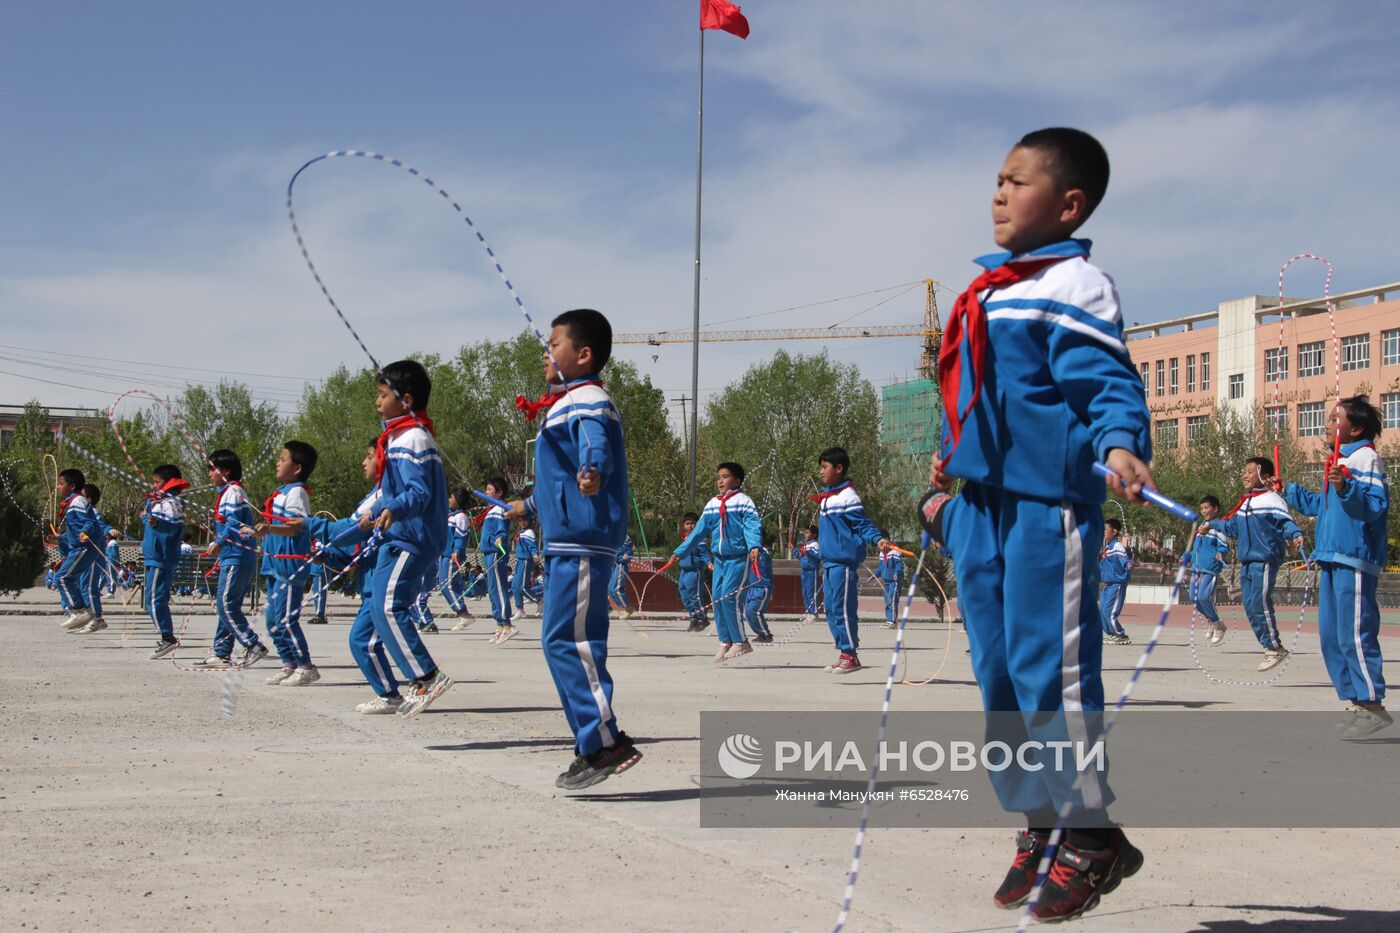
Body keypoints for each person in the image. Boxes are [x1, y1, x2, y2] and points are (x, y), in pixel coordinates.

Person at [919, 128, 1150, 919]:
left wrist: (1120, 443)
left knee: (1049, 673)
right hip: (982, 504)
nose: (998, 192)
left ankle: (1093, 835)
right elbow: (980, 393)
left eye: (1017, 181)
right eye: (997, 179)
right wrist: (951, 459)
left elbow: (1106, 379)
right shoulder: (988, 289)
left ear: (1069, 203)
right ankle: (1039, 824)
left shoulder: (1075, 284)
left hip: (1045, 508)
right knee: (1000, 680)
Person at [508, 308, 642, 788]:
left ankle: (605, 744)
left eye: (555, 342)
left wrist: (592, 471)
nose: (546, 351)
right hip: (567, 537)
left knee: (575, 640)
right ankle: (590, 743)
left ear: (583, 355)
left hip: (583, 540)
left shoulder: (587, 398)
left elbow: (593, 446)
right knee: (559, 640)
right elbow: (559, 475)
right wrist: (526, 505)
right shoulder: (563, 403)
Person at [1283, 396, 1391, 736]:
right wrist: (1288, 491)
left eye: (1334, 418)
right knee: (1331, 636)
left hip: (1353, 558)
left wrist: (1346, 486)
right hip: (1330, 556)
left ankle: (1372, 702)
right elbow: (1322, 504)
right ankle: (1357, 701)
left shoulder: (1365, 458)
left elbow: (1374, 506)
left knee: (1354, 635)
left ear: (1354, 428)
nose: (1326, 425)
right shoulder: (1339, 462)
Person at [359, 359, 453, 716]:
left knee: (387, 607)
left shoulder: (413, 438)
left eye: (383, 395)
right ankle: (410, 683)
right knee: (379, 609)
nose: (377, 402)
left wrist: (394, 509)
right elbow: (396, 491)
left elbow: (418, 493)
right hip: (398, 536)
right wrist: (379, 510)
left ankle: (426, 677)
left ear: (407, 400)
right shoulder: (398, 437)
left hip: (414, 538)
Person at [300, 439, 401, 713]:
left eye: (369, 456)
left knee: (362, 639)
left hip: (384, 580)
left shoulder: (387, 496)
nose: (363, 462)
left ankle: (398, 692)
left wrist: (310, 525)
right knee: (366, 640)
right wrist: (327, 556)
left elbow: (351, 529)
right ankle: (400, 689)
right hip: (371, 580)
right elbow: (357, 545)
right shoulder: (377, 494)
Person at [1200, 456, 1303, 672]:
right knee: (1249, 604)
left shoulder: (1272, 499)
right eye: (1243, 471)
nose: (1244, 475)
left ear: (1262, 474)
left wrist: (1295, 535)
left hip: (1264, 558)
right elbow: (1232, 529)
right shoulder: (1244, 503)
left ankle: (1274, 647)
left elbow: (1286, 523)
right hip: (1246, 561)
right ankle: (1269, 645)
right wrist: (1212, 525)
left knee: (1260, 602)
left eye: (1248, 471)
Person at [672, 462, 761, 662]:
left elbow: (752, 525)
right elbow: (698, 531)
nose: (720, 481)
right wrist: (680, 551)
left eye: (725, 476)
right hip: (719, 560)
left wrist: (754, 545)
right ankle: (725, 640)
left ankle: (741, 641)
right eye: (719, 477)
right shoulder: (712, 504)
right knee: (718, 599)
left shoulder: (743, 501)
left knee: (730, 597)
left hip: (738, 558)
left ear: (737, 481)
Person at [813, 448, 888, 673]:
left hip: (843, 564)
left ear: (839, 468)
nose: (821, 471)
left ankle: (850, 654)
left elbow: (862, 525)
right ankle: (844, 652)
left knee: (843, 609)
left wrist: (878, 539)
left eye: (824, 467)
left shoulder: (848, 497)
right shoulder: (827, 498)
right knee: (832, 610)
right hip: (829, 563)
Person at [195, 449, 269, 668]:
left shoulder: (234, 491)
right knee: (227, 606)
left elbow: (233, 523)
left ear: (225, 470)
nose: (209, 474)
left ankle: (252, 644)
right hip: (232, 557)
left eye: (211, 469)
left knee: (226, 605)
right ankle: (221, 653)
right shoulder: (227, 492)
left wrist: (219, 542)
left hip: (237, 556)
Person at [255, 441, 320, 686]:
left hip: (289, 567)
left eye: (283, 459)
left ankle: (306, 666)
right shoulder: (282, 493)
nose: (277, 462)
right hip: (274, 565)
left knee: (285, 619)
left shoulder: (297, 493)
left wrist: (270, 528)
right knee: (273, 620)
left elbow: (296, 527)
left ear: (297, 469)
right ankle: (289, 663)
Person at [142, 464, 190, 659]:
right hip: (155, 557)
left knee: (154, 599)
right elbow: (152, 523)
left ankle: (167, 637)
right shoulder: (159, 503)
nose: (154, 486)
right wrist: (147, 517)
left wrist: (156, 522)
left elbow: (173, 529)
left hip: (161, 558)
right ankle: (166, 636)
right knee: (153, 599)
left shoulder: (172, 504)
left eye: (157, 482)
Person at [54, 468, 102, 631]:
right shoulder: (73, 503)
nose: (58, 487)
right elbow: (74, 530)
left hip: (84, 548)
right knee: (64, 578)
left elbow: (90, 521)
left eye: (61, 484)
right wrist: (60, 538)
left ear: (72, 486)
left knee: (62, 578)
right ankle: (84, 612)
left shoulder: (77, 501)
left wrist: (84, 532)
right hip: (78, 548)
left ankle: (79, 611)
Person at [1186, 496, 1230, 646]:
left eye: (1206, 508)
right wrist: (1187, 557)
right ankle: (1212, 620)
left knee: (1204, 597)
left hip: (1209, 569)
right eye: (1202, 508)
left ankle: (1219, 626)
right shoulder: (1201, 528)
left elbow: (1224, 546)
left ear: (1215, 509)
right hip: (1196, 569)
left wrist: (1221, 553)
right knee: (1193, 598)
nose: (1204, 511)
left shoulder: (1218, 527)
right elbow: (1195, 548)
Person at [481, 475, 516, 643]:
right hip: (488, 552)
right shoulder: (491, 510)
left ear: (499, 493)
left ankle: (507, 625)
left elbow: (502, 528)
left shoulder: (500, 508)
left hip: (496, 551)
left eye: (489, 489)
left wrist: (500, 537)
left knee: (499, 589)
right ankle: (500, 625)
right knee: (492, 589)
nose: (486, 492)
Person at [443, 488, 476, 630]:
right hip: (444, 553)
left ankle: (463, 613)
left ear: (457, 499)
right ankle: (463, 614)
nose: (449, 499)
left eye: (451, 497)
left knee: (446, 585)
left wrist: (457, 550)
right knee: (453, 585)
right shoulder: (451, 515)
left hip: (451, 555)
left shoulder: (461, 517)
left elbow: (460, 537)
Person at [1097, 519, 1132, 644]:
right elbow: (1102, 566)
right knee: (1101, 611)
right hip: (1108, 584)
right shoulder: (1107, 547)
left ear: (1114, 531)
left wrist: (1128, 564)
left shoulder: (1117, 545)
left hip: (1117, 584)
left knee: (1109, 612)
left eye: (1106, 529)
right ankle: (1111, 634)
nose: (1103, 532)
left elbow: (1124, 559)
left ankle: (1120, 634)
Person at [677, 511, 712, 632]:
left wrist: (708, 562)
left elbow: (704, 552)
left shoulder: (699, 538)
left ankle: (702, 618)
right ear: (683, 525)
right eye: (687, 523)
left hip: (694, 571)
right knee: (684, 596)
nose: (690, 526)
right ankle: (694, 618)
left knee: (695, 596)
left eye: (693, 523)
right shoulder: (685, 538)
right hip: (684, 570)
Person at [744, 529, 775, 643]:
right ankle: (761, 633)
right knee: (747, 613)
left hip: (762, 587)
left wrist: (757, 549)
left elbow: (759, 557)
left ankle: (766, 634)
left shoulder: (764, 553)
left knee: (754, 611)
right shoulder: (750, 553)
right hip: (752, 587)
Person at [511, 515, 541, 618]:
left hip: (526, 560)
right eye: (520, 520)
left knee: (522, 587)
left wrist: (535, 555)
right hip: (520, 559)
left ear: (529, 521)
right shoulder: (521, 532)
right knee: (515, 587)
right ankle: (520, 610)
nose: (522, 522)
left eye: (524, 520)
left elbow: (532, 546)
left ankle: (541, 602)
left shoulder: (529, 532)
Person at [874, 531, 905, 630]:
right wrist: (874, 575)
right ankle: (889, 620)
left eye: (883, 541)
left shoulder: (895, 551)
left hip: (894, 581)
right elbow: (881, 567)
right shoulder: (882, 553)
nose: (881, 544)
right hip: (885, 581)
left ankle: (893, 621)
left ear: (887, 540)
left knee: (892, 599)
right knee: (887, 600)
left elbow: (899, 565)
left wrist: (897, 573)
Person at [793, 525, 821, 622]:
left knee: (811, 592)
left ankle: (814, 613)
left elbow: (818, 556)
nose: (806, 535)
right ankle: (808, 612)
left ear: (814, 534)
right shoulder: (805, 545)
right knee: (804, 592)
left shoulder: (815, 544)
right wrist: (794, 550)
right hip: (804, 571)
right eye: (805, 533)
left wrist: (809, 553)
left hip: (812, 571)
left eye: (808, 533)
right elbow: (801, 557)